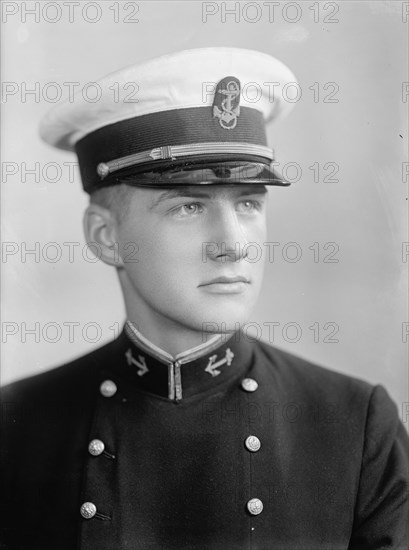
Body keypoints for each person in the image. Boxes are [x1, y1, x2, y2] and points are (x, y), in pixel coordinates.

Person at [1, 47, 408, 550]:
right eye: (189, 206)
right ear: (107, 236)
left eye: (250, 204)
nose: (233, 243)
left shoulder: (356, 424)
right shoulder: (16, 426)